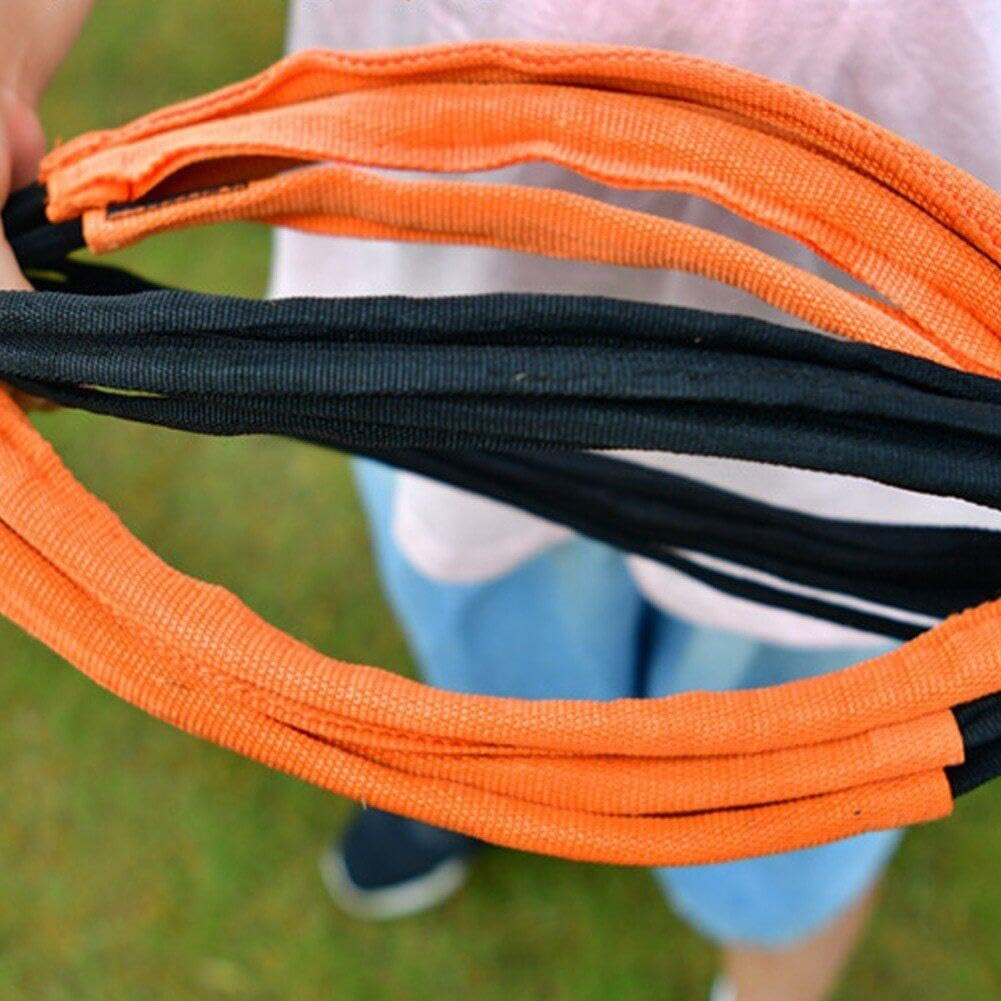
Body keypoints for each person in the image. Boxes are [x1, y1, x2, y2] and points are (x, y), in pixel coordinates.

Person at [2, 3, 998, 999]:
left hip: (900, 409)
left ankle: (763, 968)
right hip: (429, 319)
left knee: (792, 800)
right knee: (496, 648)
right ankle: (470, 786)